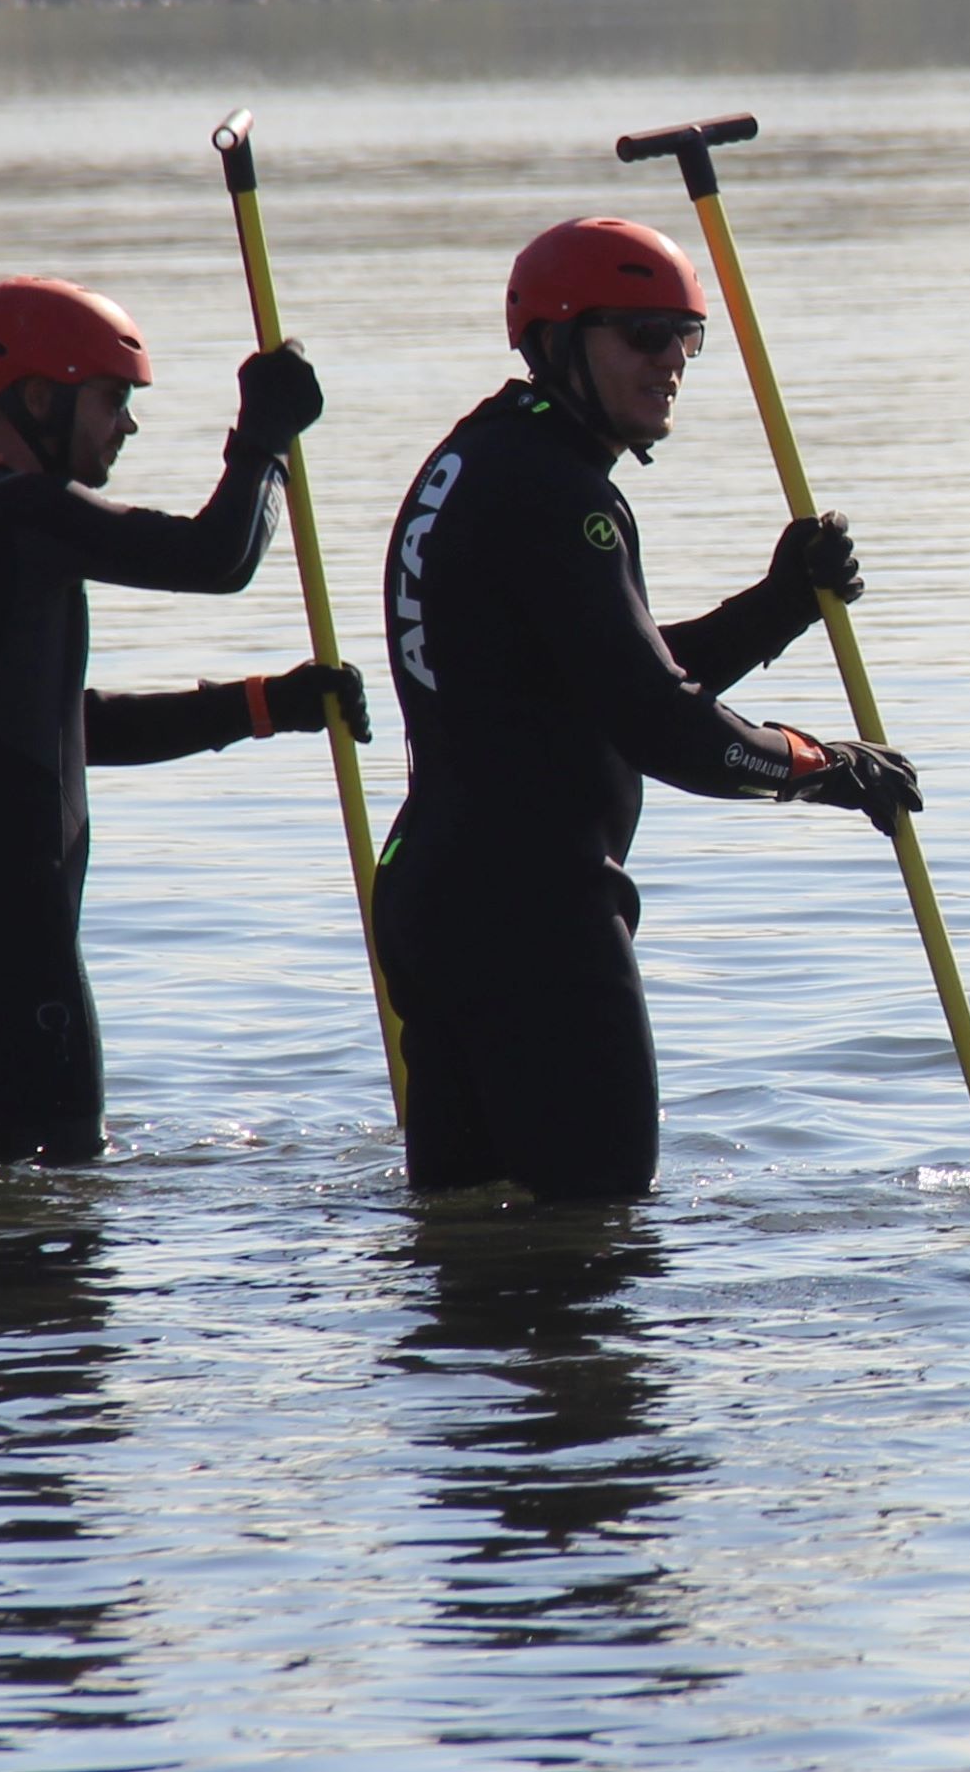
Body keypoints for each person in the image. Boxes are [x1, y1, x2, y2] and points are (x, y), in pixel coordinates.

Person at [373, 217, 911, 1203]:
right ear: (559, 339)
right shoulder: (556, 493)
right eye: (642, 335)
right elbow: (659, 723)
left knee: (463, 1261)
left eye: (687, 337)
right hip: (538, 919)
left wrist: (780, 603)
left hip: (439, 896)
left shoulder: (480, 460)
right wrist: (819, 769)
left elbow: (599, 675)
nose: (671, 362)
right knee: (601, 1238)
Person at [0, 276, 363, 1163]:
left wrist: (264, 705)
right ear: (36, 395)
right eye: (110, 400)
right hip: (14, 938)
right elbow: (220, 557)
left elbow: (60, 728)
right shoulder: (18, 510)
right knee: (57, 1228)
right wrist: (264, 440)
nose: (126, 426)